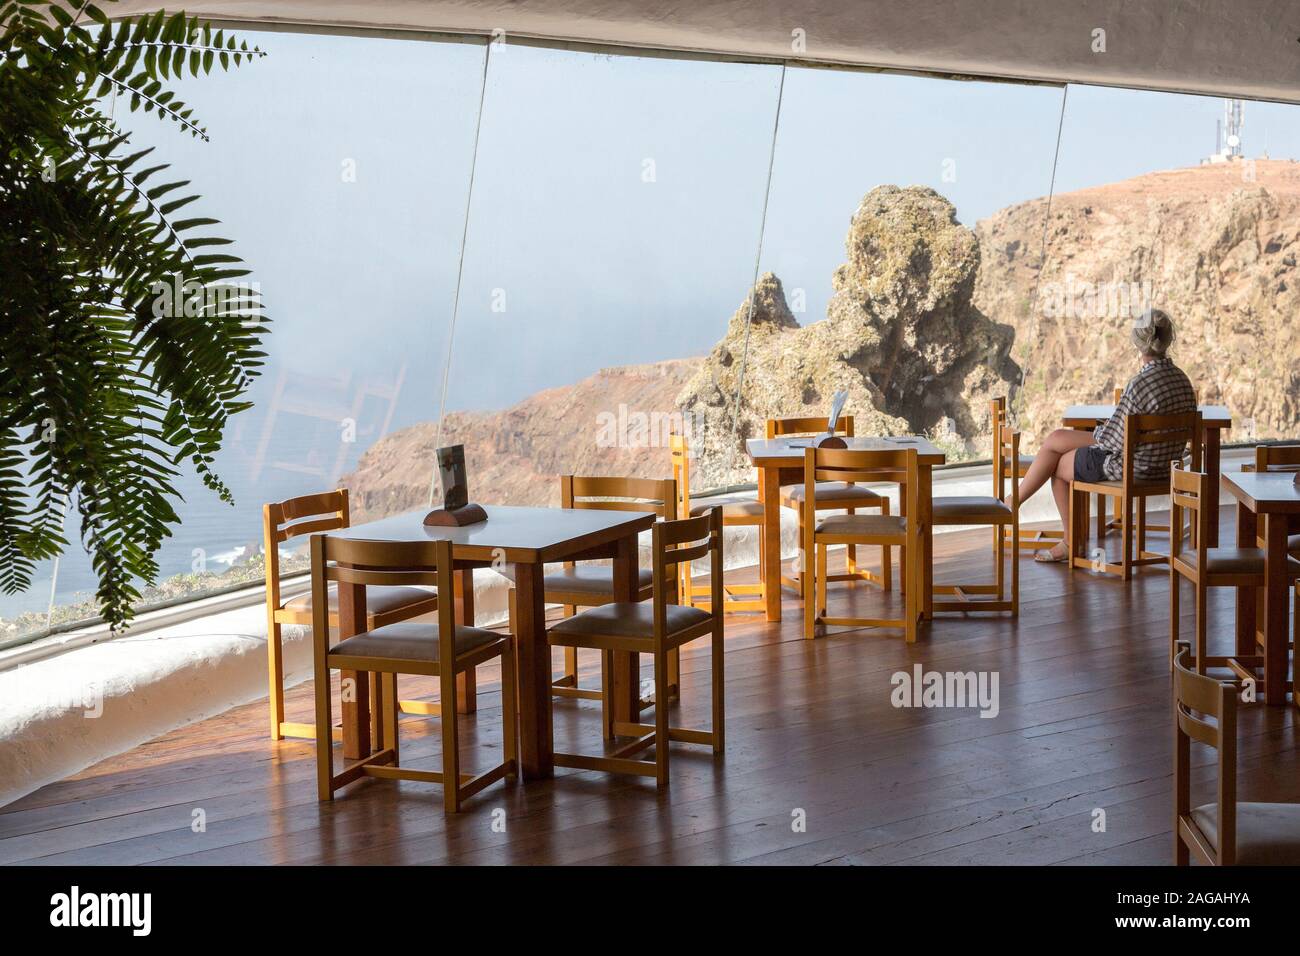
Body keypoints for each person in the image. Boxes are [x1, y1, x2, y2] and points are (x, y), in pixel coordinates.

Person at [1017, 308, 1197, 563]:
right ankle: (1017, 503)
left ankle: (1068, 541)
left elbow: (1114, 441)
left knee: (1057, 465)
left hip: (1132, 469)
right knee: (1057, 440)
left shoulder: (1139, 384)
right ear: (1169, 339)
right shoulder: (1182, 380)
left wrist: (1098, 430)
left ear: (1137, 341)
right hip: (1167, 471)